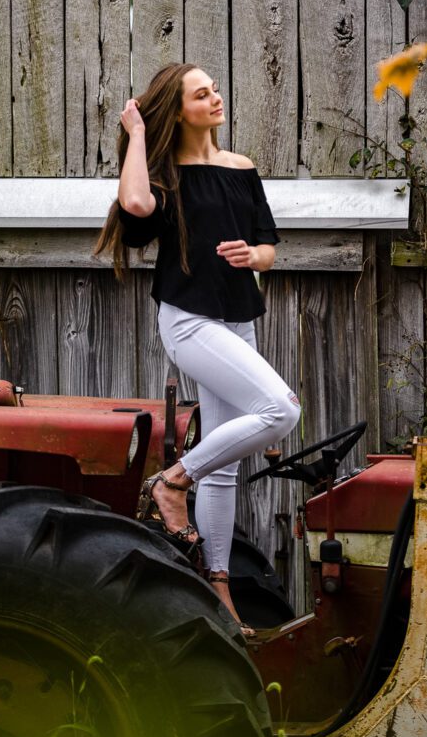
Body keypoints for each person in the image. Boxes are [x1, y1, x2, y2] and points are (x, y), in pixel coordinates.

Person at [95, 62, 300, 635]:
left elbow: (269, 248)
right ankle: (171, 481)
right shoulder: (164, 175)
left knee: (225, 467)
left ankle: (220, 595)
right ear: (179, 110)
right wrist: (136, 134)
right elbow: (135, 206)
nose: (215, 98)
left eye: (215, 88)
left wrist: (251, 258)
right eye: (201, 93)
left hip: (239, 320)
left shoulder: (241, 168)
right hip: (189, 321)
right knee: (281, 410)